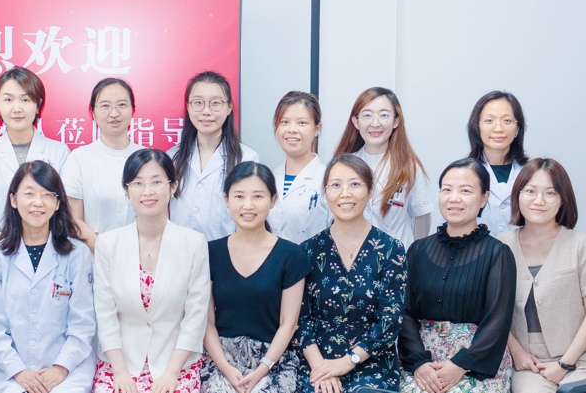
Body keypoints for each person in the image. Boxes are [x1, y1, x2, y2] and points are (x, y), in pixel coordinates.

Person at [93, 149, 211, 393]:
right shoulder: (108, 243)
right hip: (121, 362)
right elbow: (105, 315)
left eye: (156, 182)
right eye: (138, 183)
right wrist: (120, 372)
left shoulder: (194, 243)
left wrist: (172, 373)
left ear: (173, 186)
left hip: (176, 362)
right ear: (126, 190)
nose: (147, 191)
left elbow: (195, 316)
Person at [399, 158, 516, 393]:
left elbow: (498, 320)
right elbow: (404, 312)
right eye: (447, 190)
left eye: (465, 191)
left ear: (483, 198)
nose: (454, 198)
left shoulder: (497, 253)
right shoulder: (418, 250)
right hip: (423, 361)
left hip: (475, 363)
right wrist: (419, 363)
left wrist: (461, 365)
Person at [0, 161, 96, 393]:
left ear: (57, 202)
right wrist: (19, 371)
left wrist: (61, 368)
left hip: (69, 373)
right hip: (13, 374)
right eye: (29, 194)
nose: (38, 202)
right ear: (14, 200)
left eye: (47, 195)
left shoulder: (77, 253)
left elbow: (82, 324)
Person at [496, 158, 586, 393]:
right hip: (528, 364)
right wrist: (518, 353)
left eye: (550, 193)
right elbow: (494, 313)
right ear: (518, 195)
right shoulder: (501, 247)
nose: (539, 200)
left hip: (579, 359)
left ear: (562, 200)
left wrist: (564, 364)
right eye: (530, 191)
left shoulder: (580, 244)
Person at [298, 155, 407, 393]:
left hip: (371, 362)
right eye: (336, 185)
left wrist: (348, 362)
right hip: (318, 361)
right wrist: (321, 368)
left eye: (355, 184)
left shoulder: (391, 250)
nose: (345, 193)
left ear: (369, 191)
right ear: (325, 192)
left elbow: (390, 320)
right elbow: (300, 319)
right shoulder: (307, 251)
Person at [202, 162, 309, 393]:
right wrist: (226, 368)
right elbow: (207, 321)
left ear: (272, 200)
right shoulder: (210, 252)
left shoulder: (291, 255)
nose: (248, 205)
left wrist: (262, 369)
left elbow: (288, 324)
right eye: (239, 196)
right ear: (226, 200)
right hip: (221, 358)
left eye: (258, 196)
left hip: (273, 361)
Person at [0, 66, 70, 243]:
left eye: (25, 100)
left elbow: (64, 207)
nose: (17, 108)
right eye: (8, 100)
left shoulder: (59, 152)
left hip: (48, 247)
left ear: (38, 105)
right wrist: (2, 241)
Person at [333, 87, 432, 248]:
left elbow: (422, 217)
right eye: (367, 115)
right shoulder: (343, 166)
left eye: (384, 115)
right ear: (356, 122)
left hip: (397, 258)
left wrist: (415, 256)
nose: (375, 123)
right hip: (352, 256)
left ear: (396, 121)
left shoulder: (410, 167)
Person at [168, 71, 259, 241]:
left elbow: (252, 213)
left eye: (215, 103)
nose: (206, 111)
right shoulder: (172, 157)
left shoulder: (246, 158)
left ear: (229, 107)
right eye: (198, 103)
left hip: (227, 252)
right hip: (179, 250)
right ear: (188, 106)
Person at [61, 78, 144, 251]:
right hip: (94, 254)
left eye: (122, 105)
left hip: (141, 254)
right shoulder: (80, 158)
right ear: (93, 112)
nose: (114, 113)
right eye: (105, 106)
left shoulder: (147, 158)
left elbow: (158, 215)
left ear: (133, 110)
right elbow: (74, 219)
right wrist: (103, 251)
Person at [267, 91, 330, 245]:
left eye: (302, 123)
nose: (292, 129)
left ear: (317, 128)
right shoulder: (268, 179)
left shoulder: (327, 180)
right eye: (284, 122)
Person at [466, 91, 529, 237]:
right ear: (477, 127)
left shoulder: (532, 174)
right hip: (475, 251)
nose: (498, 128)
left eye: (507, 121)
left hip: (522, 251)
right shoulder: (462, 173)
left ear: (517, 128)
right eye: (489, 121)